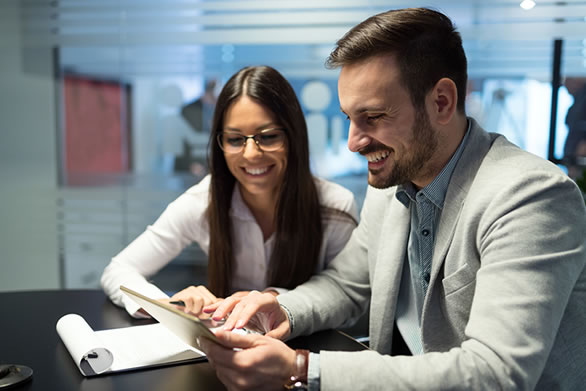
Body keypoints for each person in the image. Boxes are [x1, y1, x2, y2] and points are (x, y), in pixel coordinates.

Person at [198, 8, 586, 391]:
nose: (353, 142)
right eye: (350, 117)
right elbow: (347, 285)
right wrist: (281, 307)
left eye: (374, 116)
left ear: (441, 102)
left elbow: (495, 375)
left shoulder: (531, 197)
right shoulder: (391, 183)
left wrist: (301, 367)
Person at [101, 65, 358, 318]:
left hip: (305, 351)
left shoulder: (334, 207)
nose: (251, 154)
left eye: (267, 137)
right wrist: (168, 306)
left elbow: (349, 297)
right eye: (235, 140)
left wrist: (276, 299)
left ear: (294, 137)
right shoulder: (203, 202)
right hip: (227, 350)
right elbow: (119, 270)